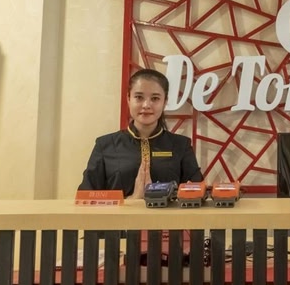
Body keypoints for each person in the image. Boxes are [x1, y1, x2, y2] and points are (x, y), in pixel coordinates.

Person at [79, 68, 203, 197]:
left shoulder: (181, 145)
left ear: (165, 102)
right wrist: (132, 200)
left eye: (155, 98)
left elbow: (197, 194)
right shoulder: (105, 145)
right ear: (128, 98)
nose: (146, 105)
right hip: (121, 211)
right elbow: (85, 198)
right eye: (139, 97)